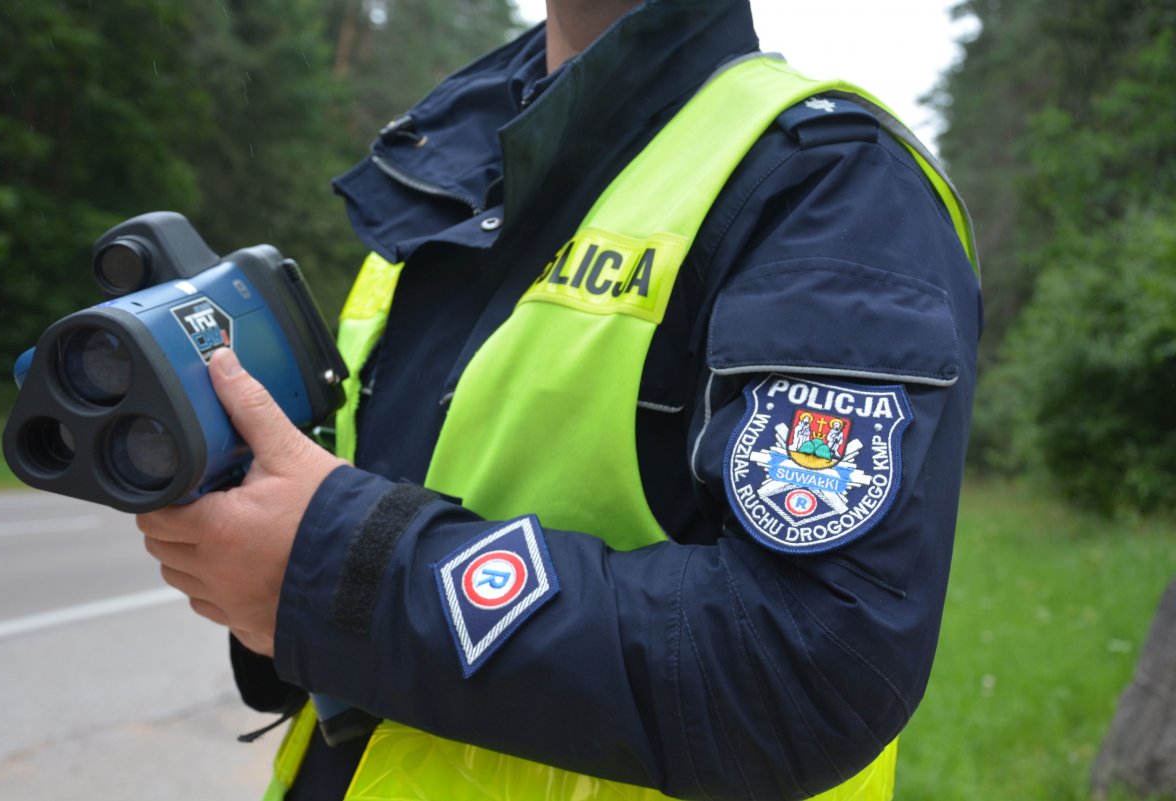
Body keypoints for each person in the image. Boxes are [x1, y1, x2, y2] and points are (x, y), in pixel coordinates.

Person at [137, 0, 982, 799]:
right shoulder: (446, 174)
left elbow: (805, 664)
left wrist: (335, 569)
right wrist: (266, 564)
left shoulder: (833, 186)